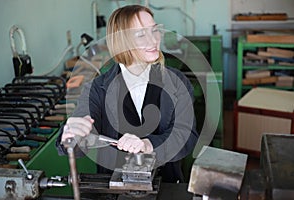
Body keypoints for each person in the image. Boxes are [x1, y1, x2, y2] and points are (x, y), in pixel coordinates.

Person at [56, 4, 198, 183]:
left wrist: (148, 144)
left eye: (154, 30)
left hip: (166, 184)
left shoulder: (177, 82)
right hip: (114, 187)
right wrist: (72, 137)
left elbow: (187, 135)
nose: (153, 40)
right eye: (140, 34)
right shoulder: (97, 89)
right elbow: (79, 139)